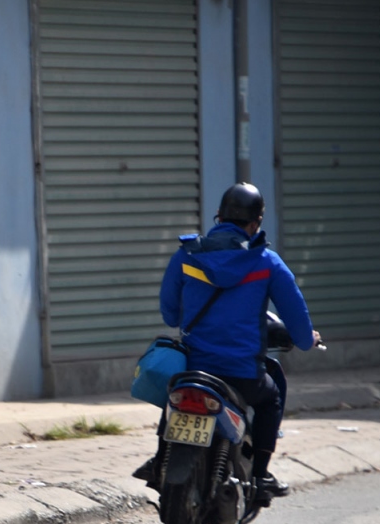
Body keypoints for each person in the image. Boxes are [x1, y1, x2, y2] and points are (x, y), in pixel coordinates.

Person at [135, 182, 322, 504]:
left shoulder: (186, 255)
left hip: (194, 367)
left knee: (176, 395)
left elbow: (170, 315)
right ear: (255, 224)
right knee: (271, 396)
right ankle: (261, 475)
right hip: (242, 374)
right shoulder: (267, 262)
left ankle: (160, 459)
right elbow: (300, 328)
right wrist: (309, 340)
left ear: (219, 217)